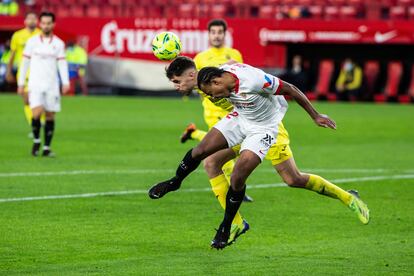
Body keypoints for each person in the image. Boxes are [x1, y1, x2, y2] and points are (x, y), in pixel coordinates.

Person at [149, 60, 370, 250]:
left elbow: (291, 88)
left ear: (216, 83)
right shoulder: (211, 79)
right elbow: (192, 76)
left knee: (277, 178)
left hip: (265, 127)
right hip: (241, 117)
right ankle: (176, 183)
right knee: (205, 156)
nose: (211, 98)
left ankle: (348, 197)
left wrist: (315, 115)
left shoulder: (253, 80)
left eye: (210, 93)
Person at [180, 19, 253, 203]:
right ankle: (234, 189)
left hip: (234, 108)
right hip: (213, 110)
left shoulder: (235, 54)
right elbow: (195, 82)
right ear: (209, 34)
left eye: (220, 32)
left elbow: (240, 79)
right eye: (213, 32)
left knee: (226, 146)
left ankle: (193, 132)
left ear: (225, 34)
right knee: (225, 146)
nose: (217, 35)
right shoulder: (200, 58)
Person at [18, 11, 70, 157]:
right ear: (40, 24)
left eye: (49, 23)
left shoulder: (59, 43)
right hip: (35, 84)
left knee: (50, 116)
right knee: (36, 112)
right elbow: (25, 63)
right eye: (44, 23)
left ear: (53, 24)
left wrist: (65, 82)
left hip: (52, 85)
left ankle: (46, 147)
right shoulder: (32, 42)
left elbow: (62, 64)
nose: (46, 26)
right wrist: (21, 83)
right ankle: (36, 140)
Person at [6, 11, 41, 127]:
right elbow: (12, 54)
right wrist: (8, 71)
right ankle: (34, 124)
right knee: (26, 99)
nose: (32, 21)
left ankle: (42, 121)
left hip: (39, 70)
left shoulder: (41, 35)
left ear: (38, 21)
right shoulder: (17, 35)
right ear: (25, 21)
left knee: (40, 98)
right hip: (24, 71)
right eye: (29, 19)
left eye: (34, 19)